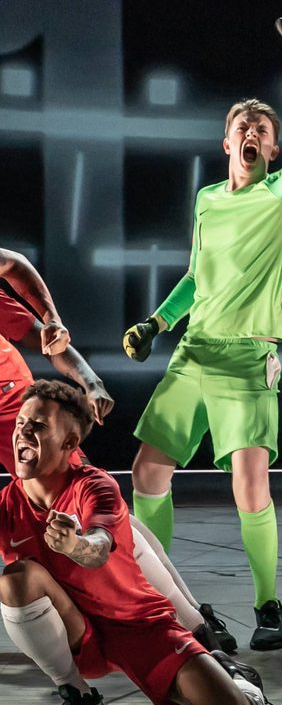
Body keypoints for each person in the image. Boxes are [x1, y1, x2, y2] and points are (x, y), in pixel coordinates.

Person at [122, 14, 282, 650]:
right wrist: (157, 320)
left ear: (273, 149)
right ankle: (157, 597)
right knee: (147, 474)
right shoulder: (208, 200)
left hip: (247, 360)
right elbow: (198, 276)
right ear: (225, 142)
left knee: (249, 483)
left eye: (262, 129)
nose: (250, 131)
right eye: (241, 125)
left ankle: (268, 607)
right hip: (194, 354)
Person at [0, 380, 267, 705]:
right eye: (21, 423)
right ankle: (79, 699)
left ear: (69, 444)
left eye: (39, 426)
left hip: (138, 624)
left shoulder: (95, 486)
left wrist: (74, 544)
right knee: (17, 579)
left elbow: (98, 546)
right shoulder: (7, 505)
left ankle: (216, 654)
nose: (24, 432)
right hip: (77, 628)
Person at [0, 259, 236, 652]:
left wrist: (89, 380)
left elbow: (16, 271)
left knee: (100, 518)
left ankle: (191, 620)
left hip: (13, 411)